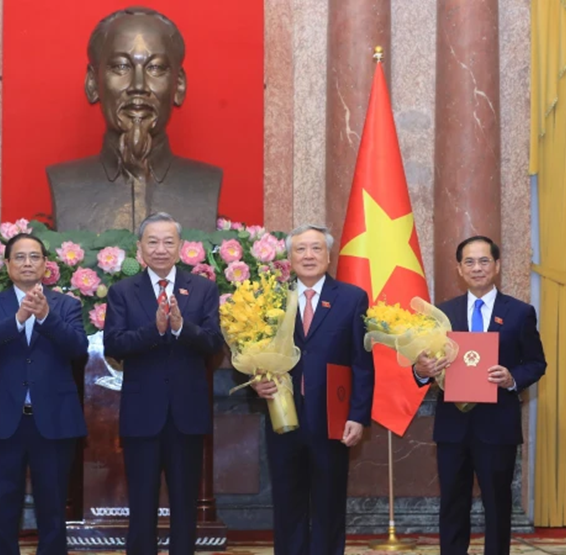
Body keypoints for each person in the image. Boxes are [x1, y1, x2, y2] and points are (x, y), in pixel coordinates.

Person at [413, 236, 546, 555]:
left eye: (484, 261)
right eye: (469, 262)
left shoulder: (519, 312)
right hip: (452, 427)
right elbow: (421, 370)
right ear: (459, 268)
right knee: (452, 504)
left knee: (498, 505)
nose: (477, 268)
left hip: (497, 426)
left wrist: (512, 377)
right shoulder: (441, 315)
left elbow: (536, 363)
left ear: (497, 266)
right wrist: (422, 369)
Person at [103, 212, 223, 555]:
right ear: (139, 247)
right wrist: (154, 330)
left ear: (181, 247)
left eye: (168, 242)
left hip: (187, 413)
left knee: (185, 503)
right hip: (143, 413)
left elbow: (214, 344)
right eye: (152, 242)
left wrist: (182, 327)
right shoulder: (123, 292)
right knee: (142, 502)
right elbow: (114, 345)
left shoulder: (202, 289)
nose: (160, 249)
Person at [252, 224, 374, 555]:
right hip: (283, 417)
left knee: (329, 503)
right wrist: (256, 385)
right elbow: (254, 356)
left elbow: (362, 364)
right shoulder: (271, 299)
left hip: (332, 419)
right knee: (288, 503)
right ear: (289, 257)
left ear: (329, 255)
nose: (308, 255)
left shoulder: (351, 298)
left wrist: (358, 416)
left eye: (316, 248)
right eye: (300, 249)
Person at [46, 6, 222, 233]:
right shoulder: (65, 183)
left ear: (178, 85)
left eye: (155, 68)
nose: (138, 86)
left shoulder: (205, 183)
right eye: (121, 67)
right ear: (92, 83)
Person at [0, 232, 88, 555]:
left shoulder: (66, 305)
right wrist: (18, 319)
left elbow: (78, 349)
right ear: (7, 266)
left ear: (46, 265)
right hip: (4, 419)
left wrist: (46, 317)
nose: (27, 263)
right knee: (4, 504)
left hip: (54, 419)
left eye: (34, 256)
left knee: (52, 506)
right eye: (19, 257)